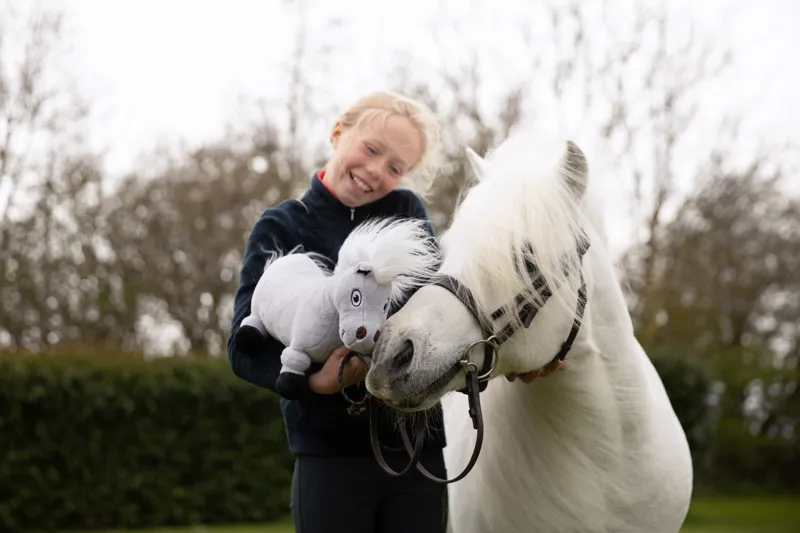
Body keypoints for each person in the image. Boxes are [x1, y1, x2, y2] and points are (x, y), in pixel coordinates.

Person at [227, 90, 450, 533]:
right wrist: (316, 383)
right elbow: (243, 348)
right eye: (371, 149)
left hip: (416, 450)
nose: (376, 171)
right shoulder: (282, 226)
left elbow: (441, 311)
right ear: (337, 133)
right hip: (328, 455)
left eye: (396, 168)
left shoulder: (407, 214)